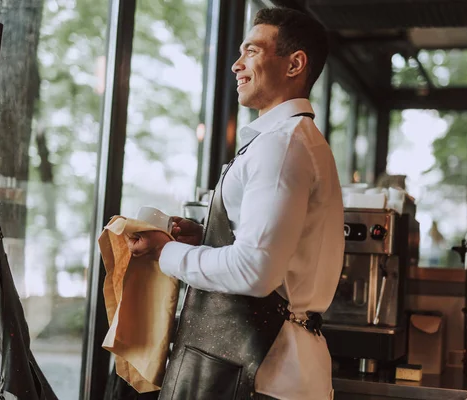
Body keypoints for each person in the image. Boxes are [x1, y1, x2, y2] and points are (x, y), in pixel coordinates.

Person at [126, 7, 344, 400]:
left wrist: (165, 253)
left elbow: (255, 272)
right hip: (267, 368)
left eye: (252, 52)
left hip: (261, 373)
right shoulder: (288, 139)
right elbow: (270, 257)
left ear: (295, 64)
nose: (235, 64)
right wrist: (205, 239)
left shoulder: (282, 145)